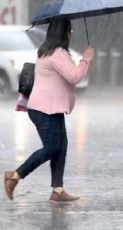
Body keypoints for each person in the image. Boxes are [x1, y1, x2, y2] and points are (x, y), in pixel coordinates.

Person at [4, 17, 94, 203]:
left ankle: (58, 191)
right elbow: (74, 76)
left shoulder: (46, 51)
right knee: (53, 147)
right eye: (70, 30)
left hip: (49, 108)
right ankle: (14, 176)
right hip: (44, 110)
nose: (71, 34)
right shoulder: (58, 53)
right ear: (65, 32)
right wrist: (86, 59)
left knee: (61, 147)